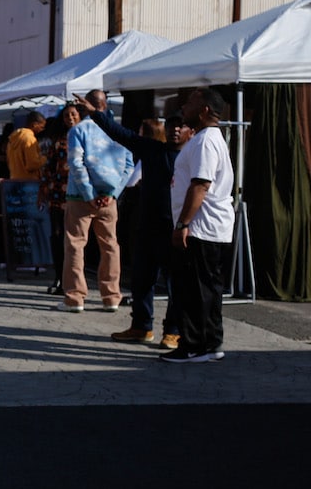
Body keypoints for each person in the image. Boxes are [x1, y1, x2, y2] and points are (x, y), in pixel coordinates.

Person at [74, 93, 191, 349]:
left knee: (175, 283)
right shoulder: (152, 150)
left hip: (175, 229)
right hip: (148, 226)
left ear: (190, 132)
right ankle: (141, 326)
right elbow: (120, 134)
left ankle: (172, 331)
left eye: (180, 126)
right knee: (141, 279)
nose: (175, 130)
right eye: (171, 125)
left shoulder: (192, 157)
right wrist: (95, 113)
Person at [161, 87, 235, 363]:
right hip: (208, 227)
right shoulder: (208, 138)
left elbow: (200, 184)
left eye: (191, 101)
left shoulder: (205, 141)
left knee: (193, 290)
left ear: (204, 110)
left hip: (200, 228)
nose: (185, 105)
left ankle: (193, 346)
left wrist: (182, 224)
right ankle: (211, 343)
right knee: (207, 289)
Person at [55, 89, 135, 312]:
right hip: (109, 198)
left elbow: (77, 164)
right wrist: (112, 193)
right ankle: (111, 297)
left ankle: (75, 298)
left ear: (85, 105)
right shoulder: (118, 131)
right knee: (110, 246)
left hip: (80, 197)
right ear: (105, 104)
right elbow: (129, 166)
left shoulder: (79, 130)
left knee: (75, 245)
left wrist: (89, 194)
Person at [37, 104, 81, 294]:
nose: (69, 118)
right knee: (57, 236)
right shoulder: (59, 141)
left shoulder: (86, 139)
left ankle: (73, 281)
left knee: (74, 240)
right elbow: (48, 168)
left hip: (79, 195)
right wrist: (43, 190)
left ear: (79, 116)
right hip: (57, 194)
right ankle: (59, 278)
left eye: (73, 114)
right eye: (66, 115)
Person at [6, 111, 47, 179]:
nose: (42, 130)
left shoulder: (12, 138)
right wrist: (44, 159)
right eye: (42, 127)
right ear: (34, 124)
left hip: (14, 179)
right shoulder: (29, 138)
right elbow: (32, 165)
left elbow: (8, 161)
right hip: (29, 182)